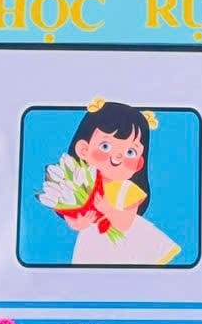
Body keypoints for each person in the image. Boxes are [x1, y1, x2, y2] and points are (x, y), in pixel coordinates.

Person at [45, 99, 180, 266]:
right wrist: (80, 223)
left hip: (129, 243)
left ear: (139, 163)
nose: (117, 156)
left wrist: (107, 209)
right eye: (105, 146)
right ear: (83, 150)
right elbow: (72, 216)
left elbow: (126, 223)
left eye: (130, 152)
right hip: (92, 243)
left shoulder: (127, 189)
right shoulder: (81, 184)